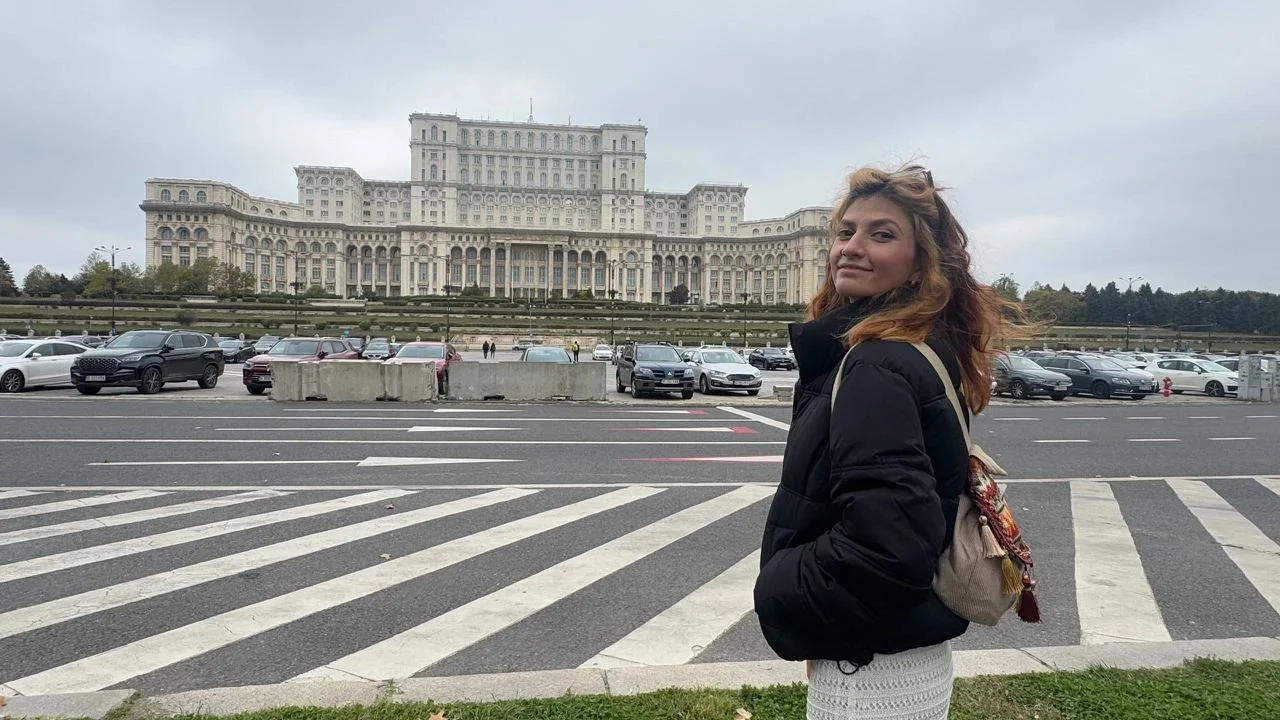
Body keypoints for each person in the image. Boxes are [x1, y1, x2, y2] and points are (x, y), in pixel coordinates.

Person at [753, 165, 1022, 719]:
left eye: (881, 234)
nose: (851, 247)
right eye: (845, 232)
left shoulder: (876, 364)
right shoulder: (916, 347)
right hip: (903, 649)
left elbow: (887, 546)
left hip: (873, 670)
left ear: (922, 262)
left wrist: (781, 591)